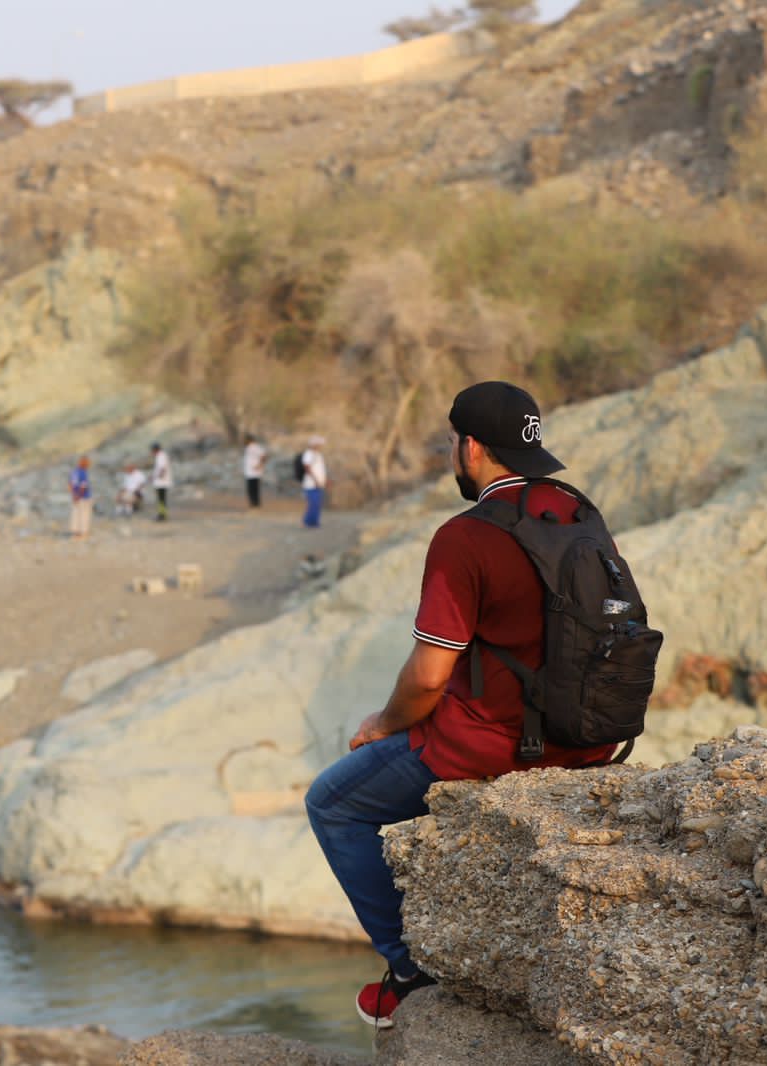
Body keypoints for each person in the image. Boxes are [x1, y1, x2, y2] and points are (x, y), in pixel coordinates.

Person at [305, 382, 619, 1030]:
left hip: (495, 745)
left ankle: (409, 970)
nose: (452, 453)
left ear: (471, 448)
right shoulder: (579, 512)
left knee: (332, 803)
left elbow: (427, 678)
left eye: (451, 443)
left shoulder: (466, 536)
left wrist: (383, 723)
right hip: (589, 737)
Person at [299, 436, 328, 529]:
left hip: (319, 483)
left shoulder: (318, 454)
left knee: (317, 503)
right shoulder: (308, 454)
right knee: (313, 503)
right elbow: (307, 467)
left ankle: (314, 522)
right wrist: (315, 480)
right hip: (311, 484)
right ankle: (306, 522)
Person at [67, 456, 93, 539]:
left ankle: (75, 532)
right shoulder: (83, 473)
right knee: (84, 515)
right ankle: (82, 532)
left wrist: (73, 495)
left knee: (76, 514)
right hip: (84, 497)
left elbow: (70, 484)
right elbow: (83, 486)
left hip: (75, 496)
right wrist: (78, 495)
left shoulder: (74, 472)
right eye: (87, 463)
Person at [243, 434, 267, 509]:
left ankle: (255, 503)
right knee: (251, 488)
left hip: (255, 472)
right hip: (249, 472)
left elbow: (263, 456)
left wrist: (259, 465)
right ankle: (253, 503)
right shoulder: (248, 448)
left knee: (254, 488)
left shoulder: (256, 447)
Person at [150, 442, 172, 522]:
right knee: (161, 499)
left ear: (155, 449)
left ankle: (162, 515)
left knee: (161, 499)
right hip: (162, 481)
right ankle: (162, 513)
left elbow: (162, 468)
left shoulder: (161, 456)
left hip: (161, 482)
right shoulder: (161, 455)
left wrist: (158, 476)